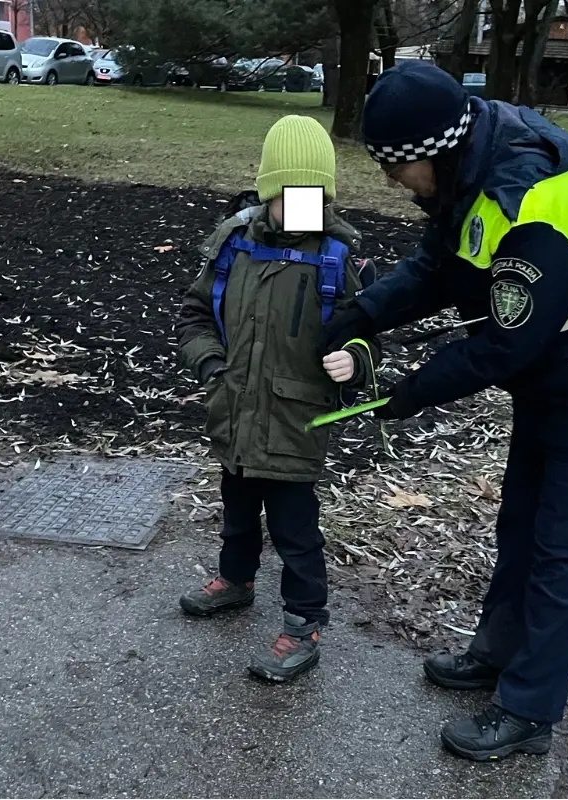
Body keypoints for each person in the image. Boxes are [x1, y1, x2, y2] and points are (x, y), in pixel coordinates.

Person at [321, 61, 568, 760]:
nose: (390, 180)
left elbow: (502, 345)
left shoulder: (533, 203)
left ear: (433, 153)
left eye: (394, 165)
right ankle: (497, 654)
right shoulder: (473, 174)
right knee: (523, 523)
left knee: (564, 550)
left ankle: (529, 710)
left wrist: (408, 392)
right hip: (550, 371)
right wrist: (362, 312)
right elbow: (439, 267)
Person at [176, 115, 380, 683]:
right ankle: (236, 581)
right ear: (269, 192)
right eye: (292, 196)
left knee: (295, 531)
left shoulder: (341, 259)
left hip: (296, 422)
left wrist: (355, 360)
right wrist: (212, 367)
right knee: (237, 513)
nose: (303, 206)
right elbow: (195, 317)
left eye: (315, 196)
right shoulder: (231, 247)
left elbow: (367, 334)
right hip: (235, 412)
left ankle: (303, 623)